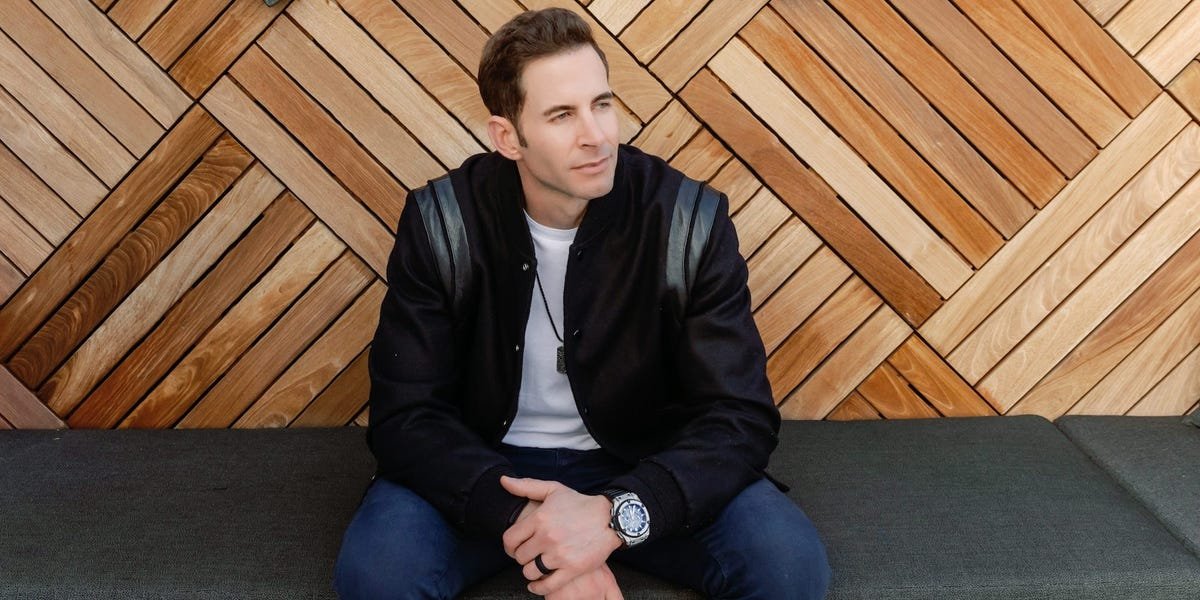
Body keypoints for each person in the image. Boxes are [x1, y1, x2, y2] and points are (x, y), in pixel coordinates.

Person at [333, 8, 831, 599]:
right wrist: (541, 529)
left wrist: (614, 518)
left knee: (788, 567)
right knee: (377, 577)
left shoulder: (688, 219)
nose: (596, 135)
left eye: (602, 104)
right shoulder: (442, 222)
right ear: (507, 137)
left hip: (642, 460)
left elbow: (739, 415)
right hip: (481, 467)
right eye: (562, 115)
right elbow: (406, 416)